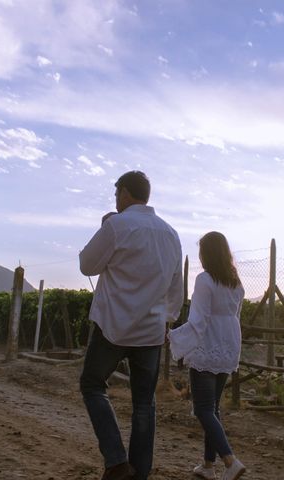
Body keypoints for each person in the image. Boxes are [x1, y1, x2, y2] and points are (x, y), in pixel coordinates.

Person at [79, 171, 184, 480]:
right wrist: (168, 319)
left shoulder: (117, 225)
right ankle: (138, 473)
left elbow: (87, 265)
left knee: (92, 384)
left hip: (113, 325)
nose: (116, 201)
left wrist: (104, 226)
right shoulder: (171, 234)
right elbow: (177, 285)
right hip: (151, 329)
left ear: (124, 193)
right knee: (144, 403)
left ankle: (116, 461)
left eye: (116, 195)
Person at [168, 231, 246, 480]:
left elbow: (198, 321)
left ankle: (230, 461)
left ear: (206, 254)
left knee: (202, 409)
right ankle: (208, 465)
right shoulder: (236, 282)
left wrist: (174, 336)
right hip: (228, 348)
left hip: (207, 347)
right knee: (213, 408)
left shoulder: (204, 280)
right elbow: (235, 317)